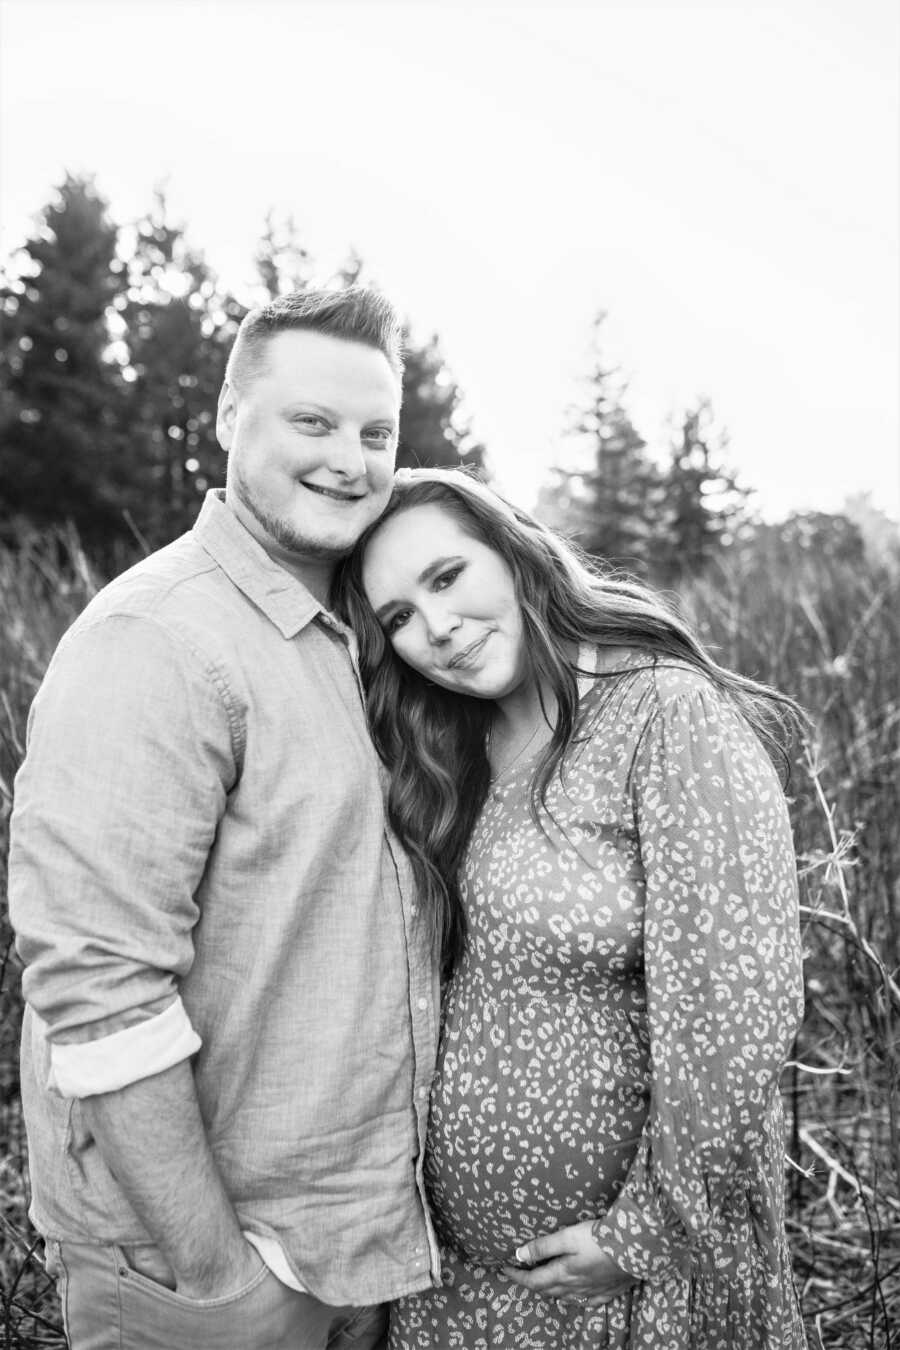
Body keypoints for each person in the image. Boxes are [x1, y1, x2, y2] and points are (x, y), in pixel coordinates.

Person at [8, 288, 442, 1350]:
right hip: (208, 1274)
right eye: (312, 422)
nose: (351, 458)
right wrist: (217, 1278)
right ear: (227, 415)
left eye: (375, 433)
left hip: (356, 1244)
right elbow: (98, 983)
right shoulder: (158, 642)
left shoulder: (362, 634)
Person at [335, 468, 809, 1350]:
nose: (436, 628)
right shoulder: (446, 750)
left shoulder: (664, 714)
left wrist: (644, 1234)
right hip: (456, 1284)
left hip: (617, 1282)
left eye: (447, 578)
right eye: (397, 617)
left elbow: (737, 1008)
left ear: (516, 556)